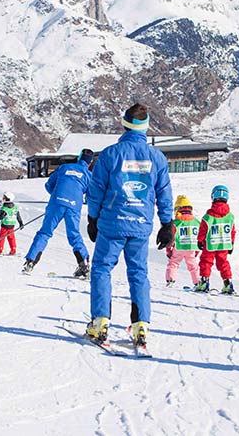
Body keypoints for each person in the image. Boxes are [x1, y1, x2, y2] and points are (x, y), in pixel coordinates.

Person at [85, 103, 173, 347]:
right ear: (145, 128)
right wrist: (167, 223)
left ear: (124, 124)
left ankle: (100, 322)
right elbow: (164, 193)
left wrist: (93, 219)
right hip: (141, 224)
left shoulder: (111, 155)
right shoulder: (157, 157)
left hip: (112, 223)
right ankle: (141, 325)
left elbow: (96, 190)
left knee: (102, 268)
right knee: (138, 273)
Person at [23, 149, 94, 276]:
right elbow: (90, 196)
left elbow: (49, 185)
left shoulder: (64, 167)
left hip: (56, 203)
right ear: (90, 163)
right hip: (73, 206)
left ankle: (30, 261)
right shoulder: (89, 175)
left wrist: (56, 197)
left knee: (45, 232)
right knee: (74, 235)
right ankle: (84, 265)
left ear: (79, 158)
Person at [194, 185, 236, 295]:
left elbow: (203, 229)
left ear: (213, 197)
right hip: (224, 244)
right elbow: (232, 231)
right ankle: (228, 283)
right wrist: (231, 243)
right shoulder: (230, 216)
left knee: (206, 262)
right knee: (223, 263)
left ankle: (204, 282)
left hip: (210, 244)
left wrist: (200, 240)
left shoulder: (209, 216)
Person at [165, 195, 201, 287]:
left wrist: (169, 249)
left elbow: (171, 238)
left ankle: (170, 280)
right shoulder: (196, 222)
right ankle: (197, 282)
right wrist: (197, 249)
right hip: (191, 248)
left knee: (173, 263)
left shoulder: (175, 223)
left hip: (179, 247)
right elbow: (199, 236)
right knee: (193, 265)